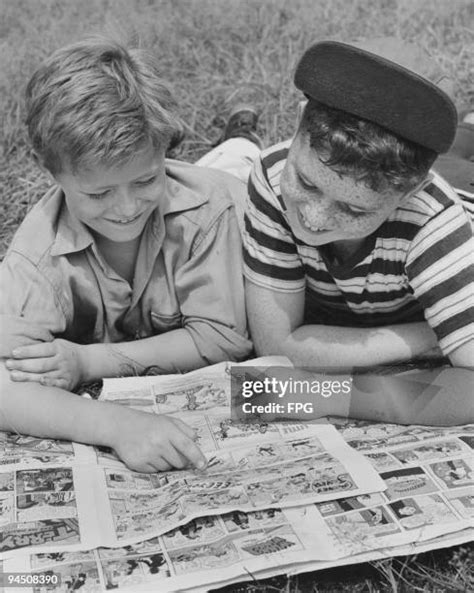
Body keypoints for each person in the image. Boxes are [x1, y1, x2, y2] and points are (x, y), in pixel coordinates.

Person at [0, 34, 253, 472]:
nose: (126, 209)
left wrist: (84, 360)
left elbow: (222, 339)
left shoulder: (212, 209)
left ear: (163, 152)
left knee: (243, 162)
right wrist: (116, 426)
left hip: (230, 181)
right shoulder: (35, 256)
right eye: (98, 193)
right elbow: (5, 385)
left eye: (144, 181)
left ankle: (244, 138)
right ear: (51, 171)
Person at [242, 38, 474, 425]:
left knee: (460, 165)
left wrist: (329, 396)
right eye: (307, 182)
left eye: (354, 209)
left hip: (464, 194)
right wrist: (431, 335)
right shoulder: (270, 174)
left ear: (410, 191)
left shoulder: (436, 224)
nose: (314, 219)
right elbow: (276, 347)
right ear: (299, 121)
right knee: (456, 150)